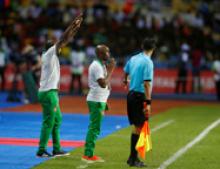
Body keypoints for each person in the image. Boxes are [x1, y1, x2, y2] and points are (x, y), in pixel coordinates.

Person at [36, 14, 83, 157]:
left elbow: (65, 40)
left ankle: (56, 148)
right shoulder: (50, 53)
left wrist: (75, 28)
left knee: (57, 120)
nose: (61, 48)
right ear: (53, 47)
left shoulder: (47, 54)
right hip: (49, 93)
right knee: (49, 122)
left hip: (49, 92)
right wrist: (72, 24)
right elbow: (63, 39)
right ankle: (41, 149)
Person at [123, 36, 156, 167]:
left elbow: (126, 71)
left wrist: (125, 80)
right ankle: (133, 158)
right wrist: (148, 104)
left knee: (138, 127)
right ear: (153, 49)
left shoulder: (134, 58)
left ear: (142, 46)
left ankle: (132, 157)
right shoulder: (148, 62)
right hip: (139, 97)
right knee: (139, 127)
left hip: (131, 95)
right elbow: (147, 84)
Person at [82, 45, 116, 162]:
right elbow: (102, 84)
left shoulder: (100, 65)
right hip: (96, 100)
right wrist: (111, 70)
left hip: (99, 100)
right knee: (94, 128)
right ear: (101, 54)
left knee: (94, 127)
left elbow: (104, 83)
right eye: (107, 52)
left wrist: (105, 101)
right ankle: (88, 154)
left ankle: (88, 153)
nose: (109, 54)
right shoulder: (97, 66)